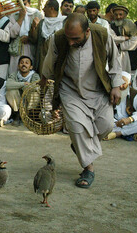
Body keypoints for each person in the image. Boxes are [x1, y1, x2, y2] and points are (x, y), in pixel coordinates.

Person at [40, 13, 123, 188]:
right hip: (70, 90)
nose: (70, 43)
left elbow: (114, 60)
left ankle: (79, 146)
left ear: (87, 32)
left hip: (98, 89)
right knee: (77, 128)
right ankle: (88, 168)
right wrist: (44, 79)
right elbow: (49, 62)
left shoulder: (102, 34)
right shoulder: (59, 38)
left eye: (75, 38)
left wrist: (116, 85)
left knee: (107, 125)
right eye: (68, 38)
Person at [105, 71, 137, 141]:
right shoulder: (112, 92)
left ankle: (118, 133)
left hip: (129, 122)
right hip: (114, 123)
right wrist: (116, 122)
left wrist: (130, 119)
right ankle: (131, 133)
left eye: (124, 83)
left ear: (129, 84)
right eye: (119, 83)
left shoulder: (135, 94)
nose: (121, 86)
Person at [28, 0, 65, 74]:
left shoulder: (63, 23)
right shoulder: (42, 23)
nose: (43, 9)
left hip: (57, 57)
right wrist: (33, 27)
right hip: (43, 59)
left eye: (45, 7)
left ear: (51, 8)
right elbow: (34, 39)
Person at [5, 55, 40, 126]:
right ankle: (17, 115)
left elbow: (37, 87)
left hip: (28, 103)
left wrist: (24, 87)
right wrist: (23, 84)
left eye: (27, 63)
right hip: (18, 102)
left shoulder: (35, 76)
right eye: (22, 63)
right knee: (10, 91)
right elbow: (8, 85)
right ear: (18, 66)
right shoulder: (14, 75)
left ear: (31, 67)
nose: (24, 64)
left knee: (34, 93)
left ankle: (29, 116)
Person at [109, 5, 137, 72]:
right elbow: (111, 39)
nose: (118, 17)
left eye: (120, 14)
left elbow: (134, 42)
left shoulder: (130, 25)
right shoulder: (111, 26)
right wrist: (123, 38)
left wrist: (119, 45)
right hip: (115, 56)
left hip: (130, 57)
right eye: (116, 15)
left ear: (125, 15)